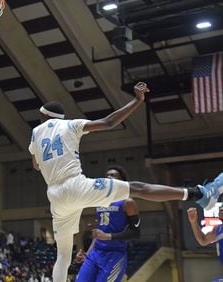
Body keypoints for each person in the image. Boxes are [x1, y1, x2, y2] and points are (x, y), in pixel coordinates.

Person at [28, 81, 223, 282]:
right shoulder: (70, 124)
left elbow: (36, 165)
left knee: (62, 254)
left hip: (55, 196)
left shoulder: (35, 134)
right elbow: (109, 122)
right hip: (76, 186)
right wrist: (137, 100)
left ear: (44, 116)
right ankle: (197, 193)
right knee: (138, 188)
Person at [75, 165, 140, 282]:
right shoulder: (100, 202)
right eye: (107, 175)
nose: (108, 177)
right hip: (95, 253)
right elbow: (99, 233)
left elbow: (136, 233)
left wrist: (108, 236)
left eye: (113, 175)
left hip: (114, 254)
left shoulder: (128, 202)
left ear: (122, 182)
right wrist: (86, 253)